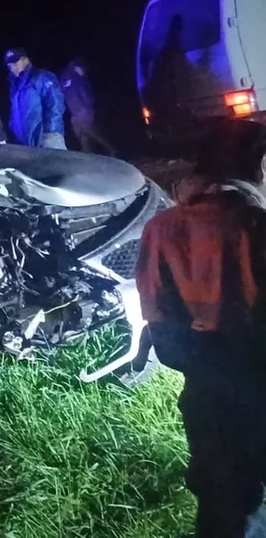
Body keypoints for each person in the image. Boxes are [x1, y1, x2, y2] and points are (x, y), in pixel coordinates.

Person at [135, 118, 266, 538]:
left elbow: (166, 342)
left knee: (222, 510)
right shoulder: (256, 226)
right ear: (258, 166)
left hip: (206, 407)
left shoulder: (159, 231)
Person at [4, 47, 67, 149]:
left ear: (25, 59)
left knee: (58, 164)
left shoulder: (42, 77)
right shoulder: (15, 85)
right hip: (26, 141)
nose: (12, 68)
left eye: (15, 63)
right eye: (9, 65)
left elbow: (55, 104)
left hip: (47, 138)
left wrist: (50, 132)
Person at [60, 57, 116, 155]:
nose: (84, 71)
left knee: (90, 131)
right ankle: (90, 153)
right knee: (82, 134)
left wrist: (87, 107)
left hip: (81, 110)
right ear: (77, 67)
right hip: (78, 110)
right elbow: (86, 95)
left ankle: (111, 149)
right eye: (83, 69)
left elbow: (86, 95)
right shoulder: (74, 79)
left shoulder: (77, 79)